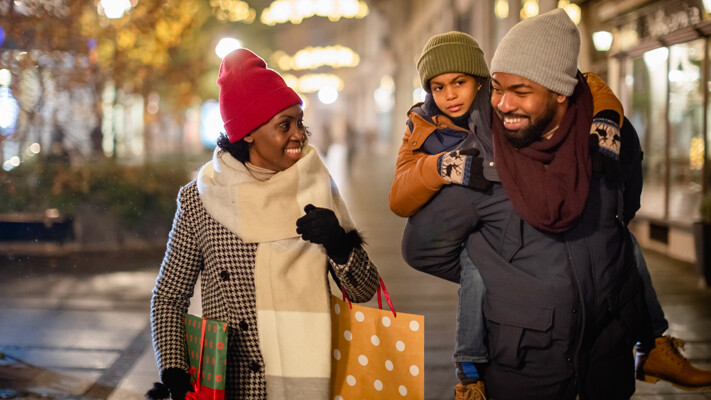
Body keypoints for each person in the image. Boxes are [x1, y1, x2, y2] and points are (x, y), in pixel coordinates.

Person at [402, 10, 650, 398]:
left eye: (520, 92)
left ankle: (658, 341)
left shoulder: (605, 145)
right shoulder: (478, 162)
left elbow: (624, 212)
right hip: (526, 370)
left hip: (607, 360)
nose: (502, 104)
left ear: (559, 92)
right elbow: (421, 249)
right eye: (498, 89)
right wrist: (506, 281)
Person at [147, 48, 379, 400]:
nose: (299, 135)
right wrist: (176, 370)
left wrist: (339, 242)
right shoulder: (200, 199)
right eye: (284, 125)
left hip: (312, 378)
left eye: (299, 122)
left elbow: (364, 289)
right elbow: (169, 298)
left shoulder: (317, 188)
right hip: (234, 385)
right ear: (249, 133)